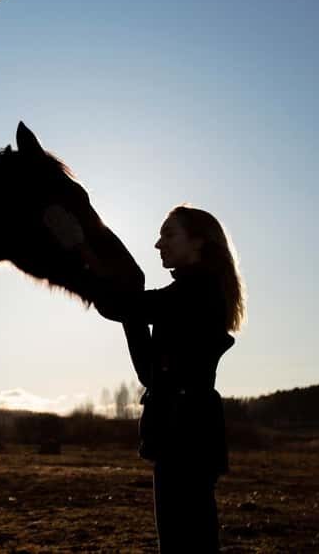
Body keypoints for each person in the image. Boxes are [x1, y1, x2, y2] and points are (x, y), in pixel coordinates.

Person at [96, 205, 246, 553]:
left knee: (185, 542)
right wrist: (129, 298)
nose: (158, 244)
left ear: (198, 242)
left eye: (168, 234)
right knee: (189, 540)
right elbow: (149, 371)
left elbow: (122, 308)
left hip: (184, 431)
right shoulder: (193, 292)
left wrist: (113, 282)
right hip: (182, 429)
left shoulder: (195, 293)